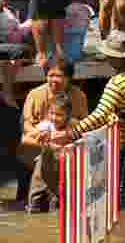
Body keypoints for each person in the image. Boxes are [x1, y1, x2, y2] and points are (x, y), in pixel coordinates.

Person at [51, 33, 125, 209]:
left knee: (120, 202)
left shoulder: (117, 82)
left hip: (124, 146)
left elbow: (100, 115)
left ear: (114, 58)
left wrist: (71, 133)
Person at [18, 61, 89, 212]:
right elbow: (26, 125)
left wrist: (65, 135)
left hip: (67, 145)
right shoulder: (35, 94)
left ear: (69, 78)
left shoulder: (78, 95)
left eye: (59, 76)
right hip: (39, 141)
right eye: (51, 75)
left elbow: (85, 126)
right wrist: (44, 136)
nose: (54, 80)